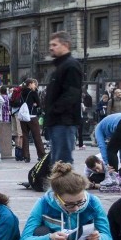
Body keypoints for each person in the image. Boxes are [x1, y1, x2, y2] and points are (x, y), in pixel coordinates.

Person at [45, 32, 83, 165]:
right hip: (57, 121)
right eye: (50, 45)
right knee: (57, 162)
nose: (51, 48)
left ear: (65, 45)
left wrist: (54, 110)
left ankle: (66, 186)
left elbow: (72, 94)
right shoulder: (61, 66)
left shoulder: (71, 65)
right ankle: (57, 186)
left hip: (64, 121)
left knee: (62, 162)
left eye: (55, 45)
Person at [94, 113, 121, 186]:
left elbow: (102, 146)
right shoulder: (107, 124)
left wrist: (107, 163)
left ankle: (113, 177)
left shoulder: (98, 129)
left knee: (111, 149)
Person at [18, 78, 45, 164]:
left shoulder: (21, 92)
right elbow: (39, 103)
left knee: (25, 136)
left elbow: (19, 103)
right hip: (32, 117)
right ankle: (41, 155)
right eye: (33, 83)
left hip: (23, 118)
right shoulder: (33, 92)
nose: (35, 85)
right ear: (30, 84)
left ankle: (26, 157)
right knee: (37, 136)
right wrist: (35, 104)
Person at [8, 86, 24, 161]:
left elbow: (9, 102)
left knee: (16, 134)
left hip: (13, 114)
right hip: (18, 114)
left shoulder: (12, 94)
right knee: (20, 134)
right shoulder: (21, 94)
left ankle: (16, 154)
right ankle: (20, 154)